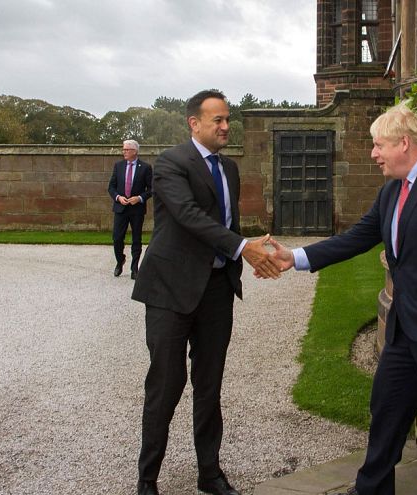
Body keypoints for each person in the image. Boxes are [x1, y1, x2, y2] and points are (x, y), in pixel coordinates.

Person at [264, 102, 417, 495]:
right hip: (405, 327)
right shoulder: (392, 190)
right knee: (387, 412)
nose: (373, 154)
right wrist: (295, 258)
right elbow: (357, 237)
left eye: (378, 145)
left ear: (404, 143)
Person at [131, 90, 281, 495]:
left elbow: (223, 222)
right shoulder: (170, 164)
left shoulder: (230, 169)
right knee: (166, 384)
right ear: (193, 123)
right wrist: (241, 247)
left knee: (209, 384)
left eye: (228, 119)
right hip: (170, 289)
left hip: (217, 289)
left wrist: (247, 245)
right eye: (217, 119)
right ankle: (148, 479)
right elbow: (190, 217)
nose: (226, 126)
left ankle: (209, 474)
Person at [108, 139, 152, 279]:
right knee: (117, 238)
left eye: (127, 149)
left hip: (136, 209)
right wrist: (118, 197)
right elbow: (111, 187)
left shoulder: (145, 167)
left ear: (135, 151)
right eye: (123, 149)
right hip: (120, 208)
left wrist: (139, 198)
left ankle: (134, 269)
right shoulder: (118, 166)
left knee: (136, 239)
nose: (124, 152)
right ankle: (120, 261)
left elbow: (152, 189)